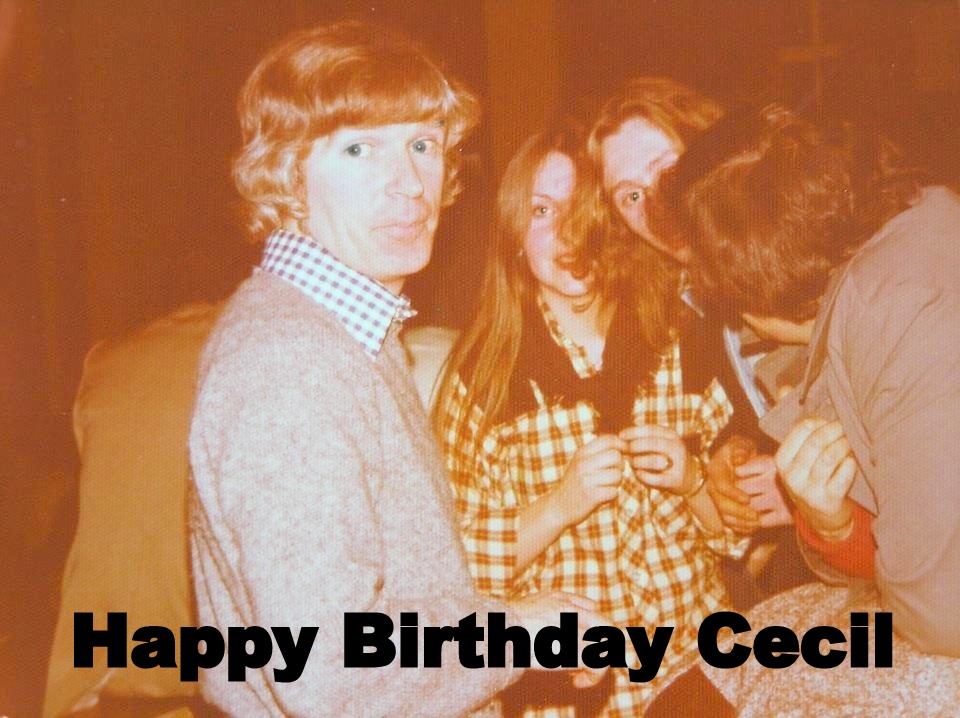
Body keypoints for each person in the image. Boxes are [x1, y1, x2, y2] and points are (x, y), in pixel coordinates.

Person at [188, 22, 604, 717]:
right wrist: (519, 634)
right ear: (287, 174)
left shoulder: (350, 330)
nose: (409, 184)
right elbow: (325, 666)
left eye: (423, 145)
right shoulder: (289, 364)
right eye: (359, 149)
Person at [650, 104, 960, 714]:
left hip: (940, 636)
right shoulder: (908, 231)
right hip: (921, 613)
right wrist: (830, 521)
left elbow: (941, 610)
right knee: (703, 686)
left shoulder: (903, 311)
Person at [433, 123, 746, 716]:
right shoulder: (484, 379)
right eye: (541, 211)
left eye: (582, 206)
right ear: (514, 234)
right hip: (570, 694)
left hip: (700, 670)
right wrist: (559, 506)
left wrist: (693, 479)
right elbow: (448, 573)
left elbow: (740, 527)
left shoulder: (684, 337)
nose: (566, 230)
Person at [587, 77, 807, 605]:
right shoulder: (694, 298)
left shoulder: (796, 252)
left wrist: (807, 494)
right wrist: (736, 452)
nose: (654, 204)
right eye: (630, 196)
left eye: (666, 170)